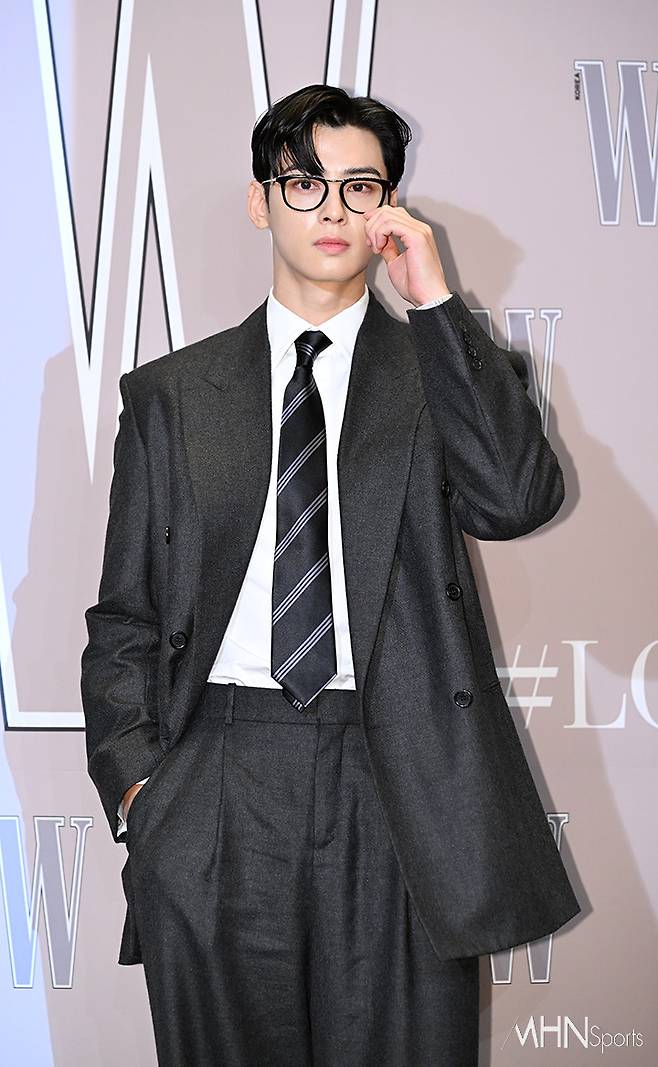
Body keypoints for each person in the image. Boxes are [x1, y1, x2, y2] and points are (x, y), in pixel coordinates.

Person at [81, 83, 580, 1066]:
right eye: (305, 184)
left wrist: (433, 300)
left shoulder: (442, 371)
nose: (334, 209)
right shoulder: (171, 396)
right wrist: (143, 793)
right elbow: (126, 616)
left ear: (390, 204)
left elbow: (514, 500)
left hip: (399, 776)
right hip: (217, 775)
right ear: (260, 201)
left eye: (361, 186)